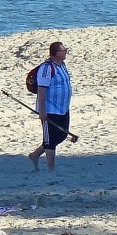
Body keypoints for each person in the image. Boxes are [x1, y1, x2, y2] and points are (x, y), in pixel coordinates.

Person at [26, 42, 72, 173]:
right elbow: (41, 90)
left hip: (62, 108)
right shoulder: (47, 68)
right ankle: (51, 169)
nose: (66, 52)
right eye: (64, 50)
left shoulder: (62, 65)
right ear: (58, 53)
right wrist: (43, 111)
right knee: (50, 140)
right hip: (50, 109)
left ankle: (34, 155)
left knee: (62, 135)